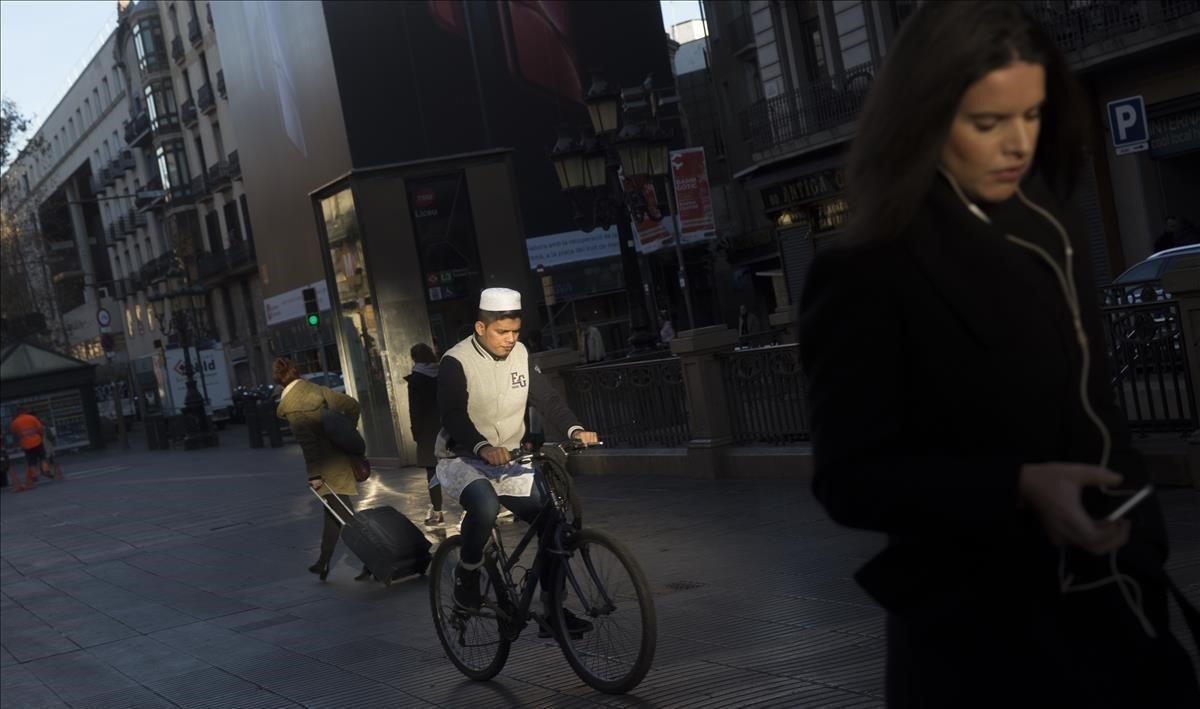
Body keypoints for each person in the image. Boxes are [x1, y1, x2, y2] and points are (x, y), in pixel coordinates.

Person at [796, 3, 1199, 708]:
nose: (1017, 144)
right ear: (923, 119)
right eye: (988, 123)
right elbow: (849, 478)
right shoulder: (866, 269)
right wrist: (1015, 485)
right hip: (979, 646)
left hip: (1117, 617)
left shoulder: (1050, 224)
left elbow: (1098, 413)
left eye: (1032, 116)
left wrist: (1140, 546)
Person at [435, 287, 599, 636]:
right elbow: (452, 415)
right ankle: (467, 573)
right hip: (463, 458)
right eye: (501, 332)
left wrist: (574, 429)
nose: (510, 340)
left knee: (553, 525)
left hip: (509, 459)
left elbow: (548, 399)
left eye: (515, 331)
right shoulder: (456, 360)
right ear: (480, 328)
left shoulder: (521, 354)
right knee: (484, 505)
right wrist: (481, 447)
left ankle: (553, 610)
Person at [274, 357, 363, 581]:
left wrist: (314, 475)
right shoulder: (317, 389)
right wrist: (343, 432)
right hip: (340, 459)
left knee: (346, 517)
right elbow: (352, 406)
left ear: (278, 381)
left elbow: (309, 446)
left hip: (325, 468)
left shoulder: (292, 407)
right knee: (333, 513)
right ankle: (323, 562)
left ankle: (375, 559)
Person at [405, 342, 444, 528]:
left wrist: (416, 432)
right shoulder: (442, 372)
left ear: (414, 358)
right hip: (447, 426)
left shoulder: (416, 379)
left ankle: (437, 512)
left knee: (432, 472)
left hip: (427, 431)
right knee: (461, 466)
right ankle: (468, 507)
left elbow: (415, 410)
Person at [8, 409, 48, 492]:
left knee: (31, 461)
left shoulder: (15, 422)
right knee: (42, 457)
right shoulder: (31, 418)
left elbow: (13, 432)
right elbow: (40, 428)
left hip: (26, 444)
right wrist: (40, 436)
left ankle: (34, 475)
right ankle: (45, 469)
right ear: (24, 412)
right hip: (37, 441)